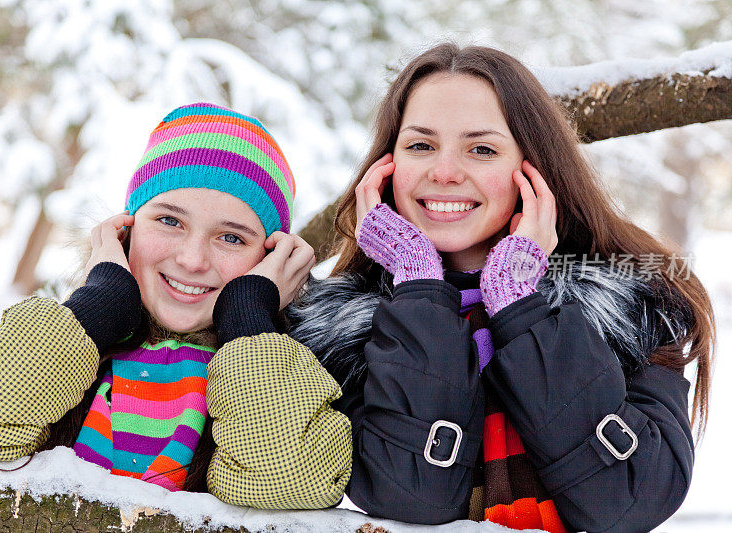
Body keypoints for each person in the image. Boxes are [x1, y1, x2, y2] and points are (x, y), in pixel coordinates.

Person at [286, 44, 714, 532]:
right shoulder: (340, 333)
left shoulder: (628, 306)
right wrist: (420, 287)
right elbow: (412, 497)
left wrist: (520, 306)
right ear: (386, 165)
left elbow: (628, 501)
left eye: (482, 149)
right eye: (421, 145)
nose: (443, 172)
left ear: (533, 169)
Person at [0, 102, 352, 509]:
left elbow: (288, 479)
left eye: (232, 238)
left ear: (271, 258)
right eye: (170, 221)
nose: (192, 259)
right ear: (125, 227)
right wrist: (96, 310)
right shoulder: (63, 345)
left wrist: (248, 324)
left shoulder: (281, 374)